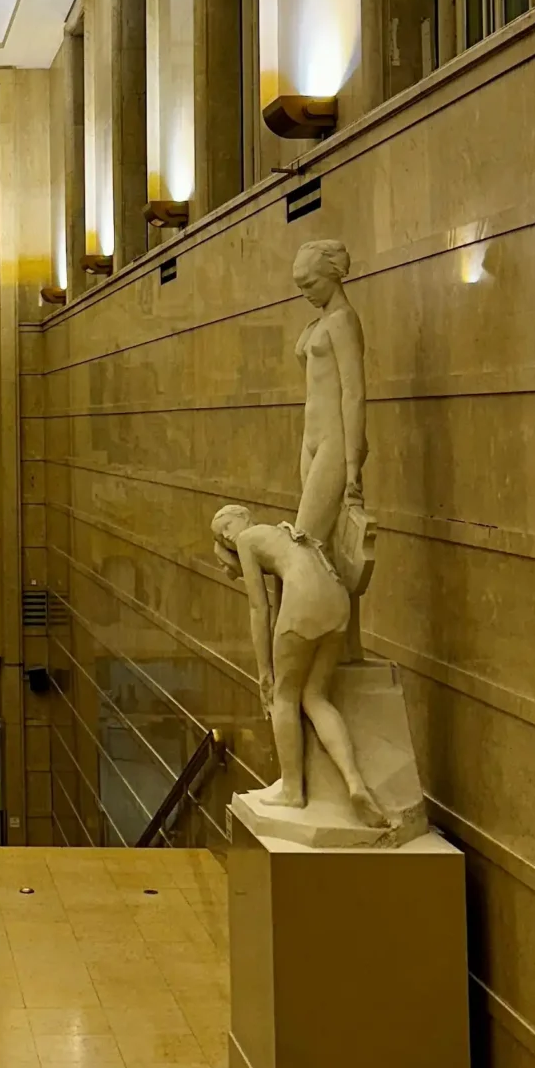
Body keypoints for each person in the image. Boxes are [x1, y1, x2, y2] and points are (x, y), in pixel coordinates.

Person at [211, 504, 386, 826]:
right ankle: (354, 782)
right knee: (315, 697)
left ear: (236, 524)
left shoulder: (248, 539)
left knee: (284, 697)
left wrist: (264, 672)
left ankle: (292, 790)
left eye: (224, 530)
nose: (226, 538)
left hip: (304, 604)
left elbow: (259, 608)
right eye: (221, 538)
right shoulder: (283, 533)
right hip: (337, 603)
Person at [292, 239, 367, 548]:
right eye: (300, 287)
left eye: (310, 284)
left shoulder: (343, 321)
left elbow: (354, 393)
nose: (306, 293)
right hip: (311, 437)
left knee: (304, 542)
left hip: (333, 441)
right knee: (324, 545)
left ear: (332, 276)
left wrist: (352, 465)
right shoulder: (319, 323)